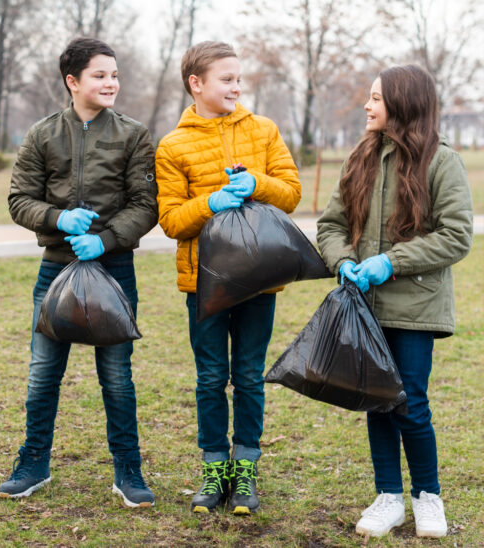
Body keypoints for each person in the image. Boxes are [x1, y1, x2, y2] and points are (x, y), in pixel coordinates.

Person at [0, 37, 159, 508]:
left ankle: (128, 469)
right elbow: (18, 200)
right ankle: (33, 462)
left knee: (116, 376)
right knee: (43, 373)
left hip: (114, 272)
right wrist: (57, 218)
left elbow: (145, 204)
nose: (111, 82)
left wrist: (106, 240)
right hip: (55, 270)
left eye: (114, 74)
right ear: (73, 81)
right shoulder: (42, 135)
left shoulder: (133, 135)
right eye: (100, 75)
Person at [317, 65, 473, 538]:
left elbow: (457, 234)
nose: (367, 106)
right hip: (364, 307)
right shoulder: (359, 158)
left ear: (402, 104)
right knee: (377, 400)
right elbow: (331, 225)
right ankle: (388, 497)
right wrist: (343, 260)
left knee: (411, 402)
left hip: (416, 307)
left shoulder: (442, 161)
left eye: (376, 98)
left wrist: (392, 261)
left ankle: (428, 498)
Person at [156, 41, 301, 515]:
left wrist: (257, 183)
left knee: (249, 377)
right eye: (227, 79)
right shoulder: (173, 145)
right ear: (196, 84)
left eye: (239, 79)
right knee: (211, 377)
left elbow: (292, 193)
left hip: (259, 280)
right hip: (206, 285)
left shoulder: (264, 130)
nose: (237, 87)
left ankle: (246, 471)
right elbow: (173, 221)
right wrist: (212, 202)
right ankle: (214, 467)